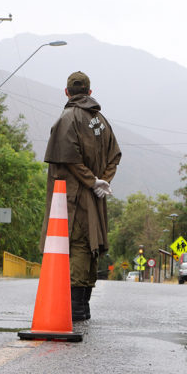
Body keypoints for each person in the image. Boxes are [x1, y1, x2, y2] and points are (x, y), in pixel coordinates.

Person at [41, 71, 121, 321]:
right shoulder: (101, 121)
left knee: (76, 246)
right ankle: (83, 307)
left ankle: (76, 308)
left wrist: (91, 181)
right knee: (90, 246)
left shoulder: (68, 117)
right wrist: (102, 181)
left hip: (73, 197)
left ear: (67, 92)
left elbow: (69, 159)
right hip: (96, 196)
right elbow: (114, 156)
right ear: (89, 91)